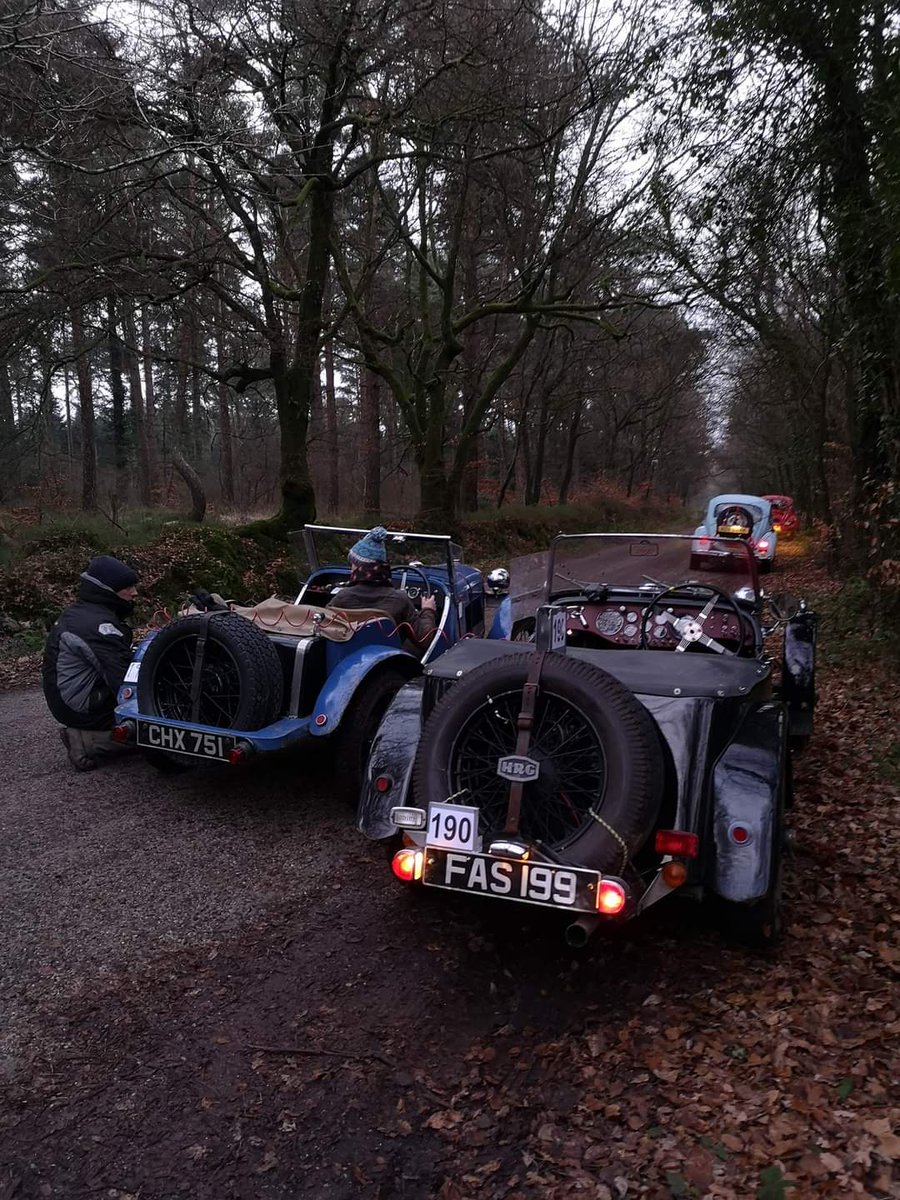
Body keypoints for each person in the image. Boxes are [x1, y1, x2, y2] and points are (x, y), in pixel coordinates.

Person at [42, 555, 139, 772]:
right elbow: (125, 681)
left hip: (70, 697)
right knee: (155, 724)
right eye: (127, 587)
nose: (135, 593)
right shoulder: (99, 625)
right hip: (82, 707)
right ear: (106, 590)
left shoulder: (85, 614)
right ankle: (89, 741)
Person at [328, 526, 437, 648]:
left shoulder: (342, 597)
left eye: (353, 565)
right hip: (388, 661)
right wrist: (428, 610)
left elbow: (324, 625)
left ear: (359, 568)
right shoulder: (400, 599)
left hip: (351, 658)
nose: (350, 569)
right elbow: (424, 639)